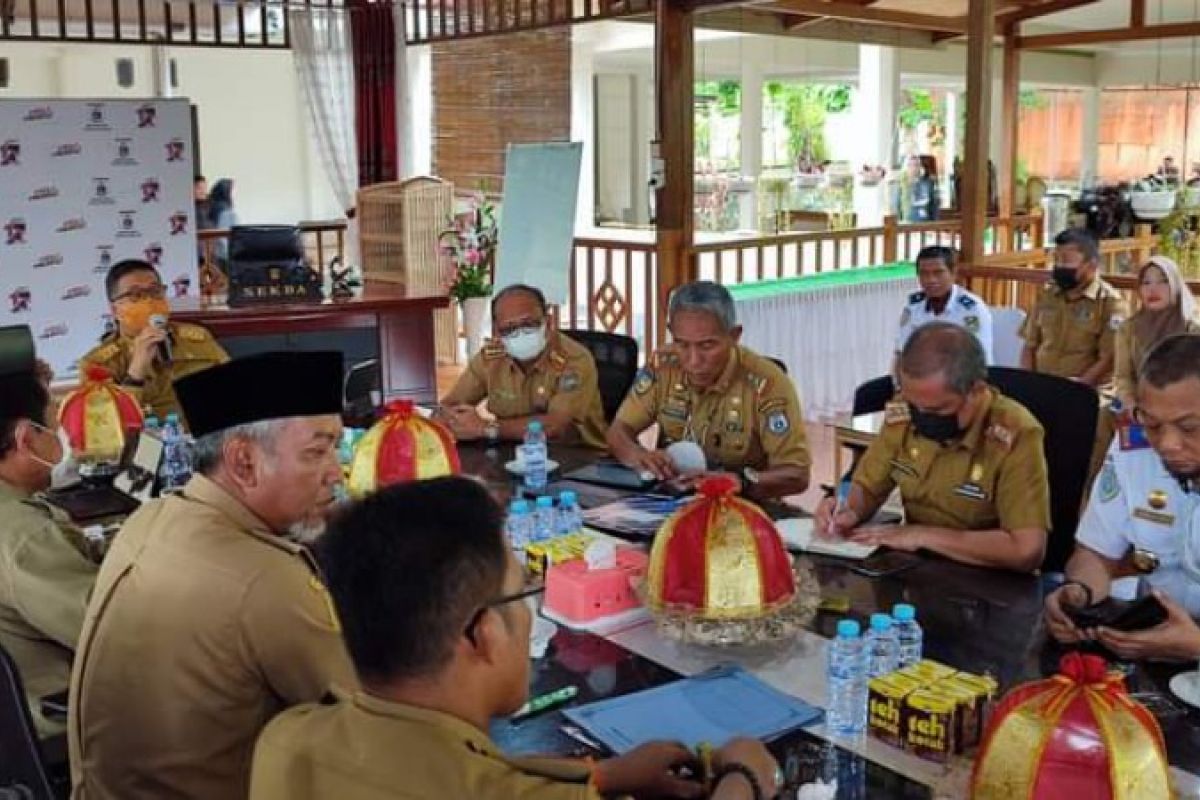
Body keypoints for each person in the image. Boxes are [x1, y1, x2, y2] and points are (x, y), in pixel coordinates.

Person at [250, 476, 781, 800]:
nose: (531, 615)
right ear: (482, 635)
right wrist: (743, 778)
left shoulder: (288, 739)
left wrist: (606, 775)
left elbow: (460, 766)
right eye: (521, 596)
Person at [68, 351, 358, 800]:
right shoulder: (263, 576)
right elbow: (362, 723)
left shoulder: (153, 518)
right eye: (316, 453)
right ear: (243, 462)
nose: (336, 474)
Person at [815, 323, 1050, 573]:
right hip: (916, 568)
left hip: (985, 579)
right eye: (914, 406)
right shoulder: (904, 412)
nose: (921, 417)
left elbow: (1026, 550)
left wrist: (922, 535)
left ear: (976, 391)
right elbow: (869, 487)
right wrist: (847, 510)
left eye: (938, 410)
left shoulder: (1015, 433)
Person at [1044, 334, 1200, 662]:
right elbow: (1095, 554)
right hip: (1148, 641)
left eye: (1190, 427)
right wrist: (1080, 594)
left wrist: (1195, 647)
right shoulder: (1134, 448)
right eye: (1153, 424)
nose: (1168, 444)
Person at [606, 281, 811, 501]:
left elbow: (797, 474)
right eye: (682, 344)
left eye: (707, 346)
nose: (693, 361)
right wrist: (640, 457)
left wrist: (740, 481)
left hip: (741, 507)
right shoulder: (663, 365)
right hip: (671, 501)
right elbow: (619, 431)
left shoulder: (767, 383)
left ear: (734, 336)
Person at [0, 325, 97, 738]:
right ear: (25, 438)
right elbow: (108, 627)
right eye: (52, 427)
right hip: (56, 723)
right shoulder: (22, 536)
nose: (60, 440)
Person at [438, 284, 607, 448]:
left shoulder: (573, 359)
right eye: (509, 328)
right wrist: (454, 420)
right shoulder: (491, 358)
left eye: (528, 324)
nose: (520, 333)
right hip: (509, 451)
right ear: (497, 332)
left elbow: (555, 427)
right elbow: (449, 407)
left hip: (577, 458)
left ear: (548, 323)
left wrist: (486, 428)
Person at [80, 259, 228, 423]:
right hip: (148, 445)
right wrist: (136, 372)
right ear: (115, 310)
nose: (149, 301)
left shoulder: (197, 338)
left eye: (155, 291)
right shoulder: (98, 365)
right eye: (136, 295)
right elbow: (106, 429)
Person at [1020, 228, 1128, 388]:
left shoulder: (1110, 303)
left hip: (1087, 389)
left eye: (1066, 260)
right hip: (1042, 385)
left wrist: (1077, 388)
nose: (1059, 266)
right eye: (1056, 259)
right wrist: (1028, 382)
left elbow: (1109, 358)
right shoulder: (1047, 296)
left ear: (1091, 265)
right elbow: (1029, 345)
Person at [1114, 256, 1199, 408]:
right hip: (1142, 406)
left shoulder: (1192, 330)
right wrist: (1132, 406)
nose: (1152, 289)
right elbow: (1123, 378)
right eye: (1146, 282)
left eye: (1163, 281)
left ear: (1175, 286)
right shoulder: (1128, 329)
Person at [894, 245, 993, 365]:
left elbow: (975, 360)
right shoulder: (913, 307)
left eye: (938, 273)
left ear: (953, 274)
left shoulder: (971, 310)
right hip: (922, 376)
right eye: (924, 274)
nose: (931, 280)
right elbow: (902, 352)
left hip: (961, 377)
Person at [905, 155, 939, 223]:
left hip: (924, 223)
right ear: (907, 167)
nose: (913, 168)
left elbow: (934, 206)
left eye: (916, 165)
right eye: (910, 165)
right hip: (905, 224)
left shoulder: (928, 183)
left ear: (920, 167)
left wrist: (935, 224)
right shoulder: (901, 185)